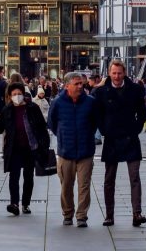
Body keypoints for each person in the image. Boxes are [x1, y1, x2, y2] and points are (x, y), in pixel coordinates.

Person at [92, 60, 146, 227]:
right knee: (109, 179)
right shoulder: (101, 92)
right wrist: (104, 130)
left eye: (119, 73)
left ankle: (137, 213)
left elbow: (142, 112)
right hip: (112, 138)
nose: (116, 76)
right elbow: (97, 114)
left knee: (134, 177)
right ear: (109, 73)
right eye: (114, 73)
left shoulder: (135, 89)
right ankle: (109, 215)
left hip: (130, 137)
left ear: (124, 73)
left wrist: (136, 128)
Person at [48, 71, 98, 228]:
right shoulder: (58, 102)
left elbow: (95, 122)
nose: (80, 86)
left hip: (85, 151)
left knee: (84, 185)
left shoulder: (90, 102)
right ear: (67, 85)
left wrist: (87, 135)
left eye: (81, 83)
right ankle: (68, 214)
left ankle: (82, 216)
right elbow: (52, 122)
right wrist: (63, 135)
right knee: (66, 185)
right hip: (66, 152)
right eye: (76, 84)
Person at [1, 82, 49, 216]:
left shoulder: (32, 108)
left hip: (30, 147)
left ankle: (26, 203)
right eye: (14, 94)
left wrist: (44, 145)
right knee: (13, 176)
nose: (17, 96)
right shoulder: (7, 110)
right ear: (10, 96)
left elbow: (41, 127)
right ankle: (14, 203)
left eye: (19, 94)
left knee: (28, 176)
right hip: (14, 148)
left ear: (24, 94)